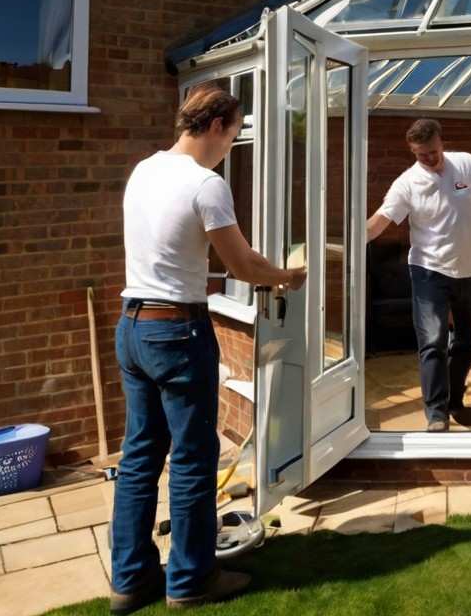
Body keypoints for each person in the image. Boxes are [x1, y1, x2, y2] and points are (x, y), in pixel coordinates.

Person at [110, 84, 306, 613]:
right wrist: (287, 276)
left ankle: (130, 582)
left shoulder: (144, 170)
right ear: (217, 125)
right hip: (176, 331)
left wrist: (264, 269)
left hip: (131, 327)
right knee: (194, 459)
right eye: (235, 133)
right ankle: (191, 581)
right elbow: (242, 267)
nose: (232, 144)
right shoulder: (206, 185)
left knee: (139, 457)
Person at [366, 118, 471, 432]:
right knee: (432, 342)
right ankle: (436, 414)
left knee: (466, 343)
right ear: (413, 151)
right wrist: (353, 240)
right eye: (422, 155)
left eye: (432, 152)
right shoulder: (407, 183)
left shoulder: (465, 164)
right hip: (428, 271)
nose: (429, 159)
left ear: (440, 142)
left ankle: (455, 401)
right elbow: (381, 220)